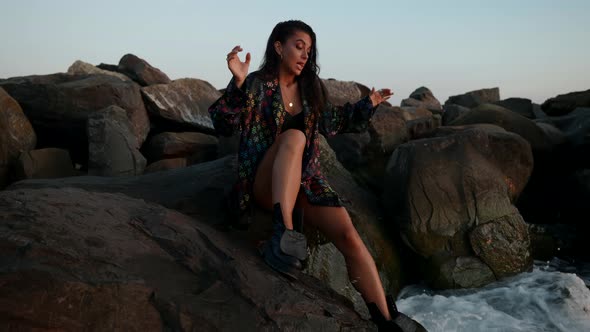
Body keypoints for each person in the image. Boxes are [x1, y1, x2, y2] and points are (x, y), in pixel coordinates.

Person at [209, 20, 424, 332]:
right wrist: (238, 82)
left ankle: (385, 319)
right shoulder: (262, 84)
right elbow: (223, 123)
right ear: (278, 47)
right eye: (298, 46)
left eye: (309, 50)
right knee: (294, 139)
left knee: (348, 233)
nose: (304, 55)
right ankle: (284, 236)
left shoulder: (311, 91)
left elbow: (334, 121)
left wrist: (370, 103)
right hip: (262, 182)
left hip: (303, 184)